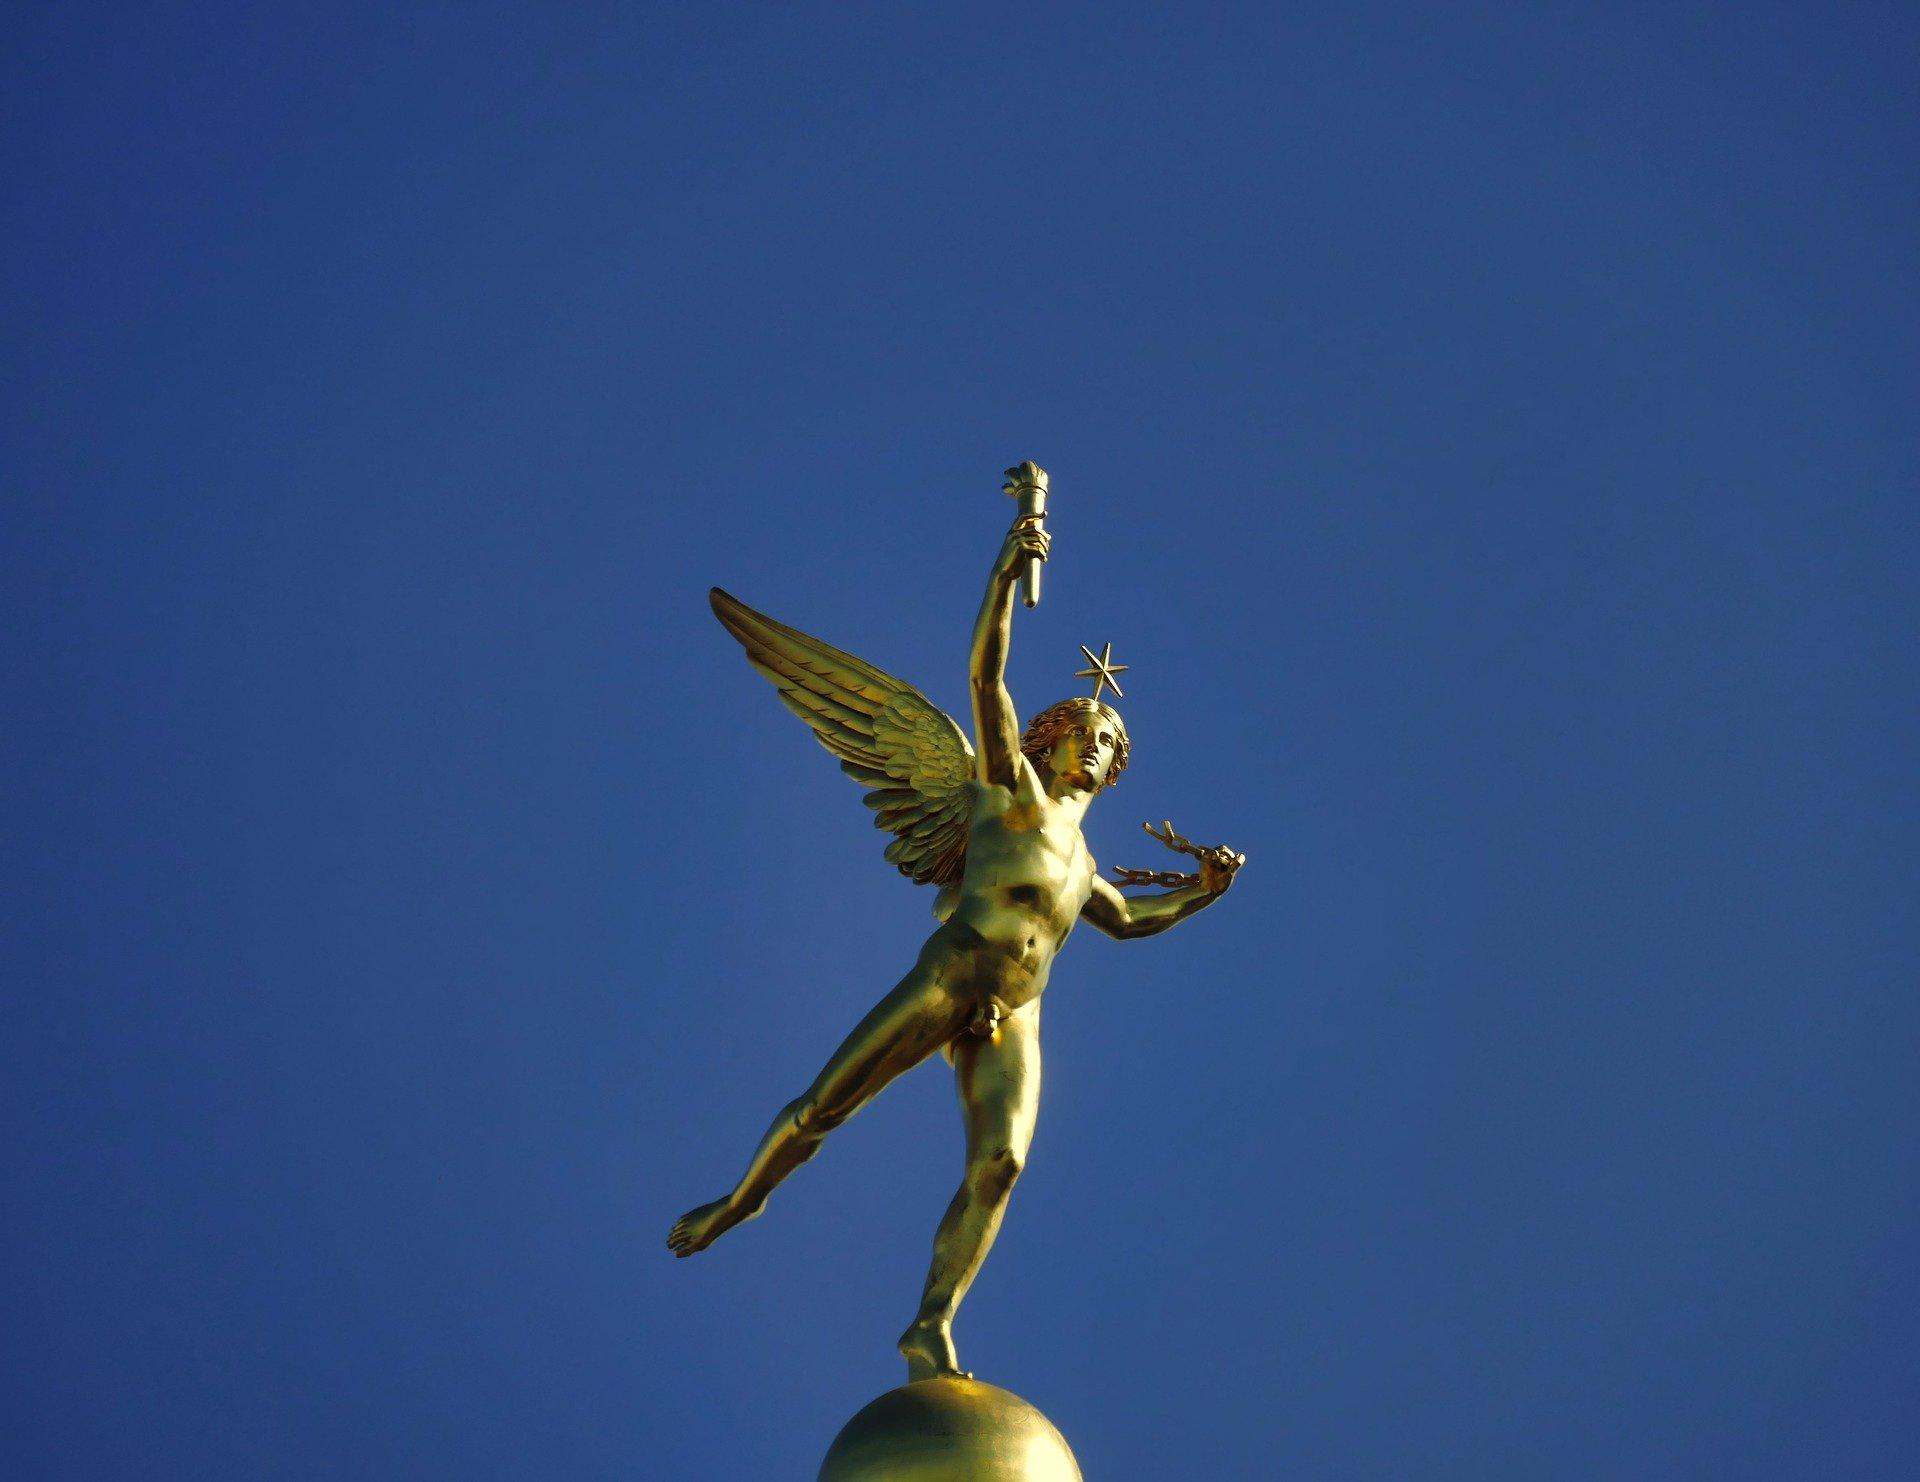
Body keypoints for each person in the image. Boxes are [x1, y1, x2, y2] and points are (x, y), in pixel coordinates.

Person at [669, 513, 1242, 1381]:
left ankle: (931, 1324)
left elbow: (1128, 923)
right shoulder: (1005, 788)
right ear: (1049, 739)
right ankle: (739, 1203)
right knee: (824, 1106)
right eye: (1087, 733)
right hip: (954, 970)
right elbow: (987, 674)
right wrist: (1007, 571)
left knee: (1002, 1163)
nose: (1097, 748)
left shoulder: (1085, 865)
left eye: (1111, 745)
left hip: (1018, 1019)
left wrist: (1199, 896)